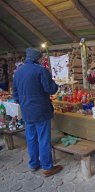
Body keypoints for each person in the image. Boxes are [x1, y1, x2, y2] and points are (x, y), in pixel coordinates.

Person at [12, 48, 62, 177]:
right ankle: (47, 167)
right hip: (40, 110)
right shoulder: (41, 70)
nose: (42, 60)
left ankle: (33, 164)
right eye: (41, 58)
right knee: (43, 138)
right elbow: (50, 89)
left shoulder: (18, 72)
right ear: (37, 58)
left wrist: (23, 102)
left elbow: (15, 94)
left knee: (31, 138)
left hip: (27, 111)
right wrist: (54, 83)